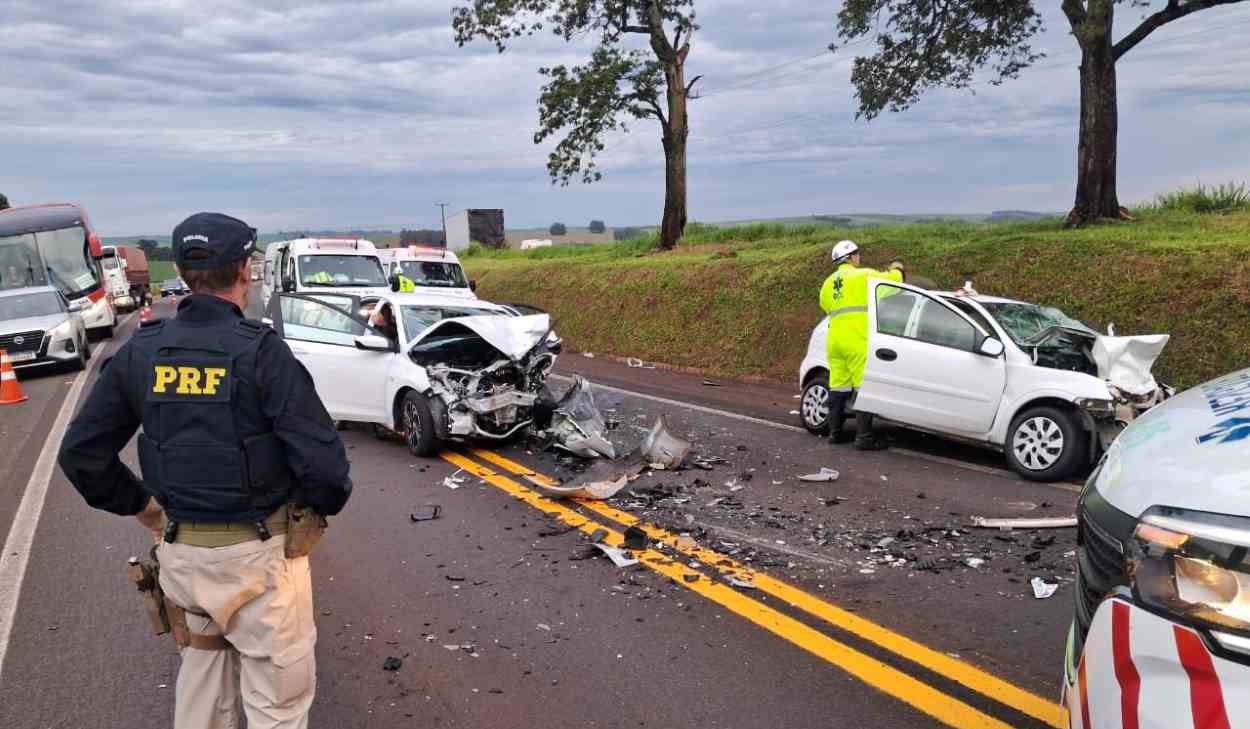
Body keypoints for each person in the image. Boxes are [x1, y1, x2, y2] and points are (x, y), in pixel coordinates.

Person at [58, 212, 352, 729]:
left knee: (202, 695)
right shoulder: (262, 352)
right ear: (244, 270)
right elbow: (326, 469)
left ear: (184, 271)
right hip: (261, 562)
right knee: (278, 708)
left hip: (182, 560)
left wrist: (147, 509)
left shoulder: (141, 353)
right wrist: (309, 516)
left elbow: (82, 454)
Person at [818, 239, 905, 450]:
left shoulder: (828, 283)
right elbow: (892, 283)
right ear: (850, 257)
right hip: (857, 340)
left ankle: (834, 434)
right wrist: (897, 268)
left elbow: (825, 305)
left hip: (834, 341)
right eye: (857, 254)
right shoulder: (862, 275)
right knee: (862, 388)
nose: (859, 257)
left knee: (838, 387)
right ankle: (864, 437)